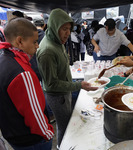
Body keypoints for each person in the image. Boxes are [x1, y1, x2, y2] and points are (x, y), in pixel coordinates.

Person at [36, 8, 98, 149]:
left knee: (68, 123)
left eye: (69, 29)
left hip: (65, 92)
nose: (68, 33)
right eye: (64, 29)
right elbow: (51, 84)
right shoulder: (47, 51)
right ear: (54, 26)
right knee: (65, 127)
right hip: (57, 97)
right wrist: (79, 85)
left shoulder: (57, 42)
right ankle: (63, 147)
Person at [0, 18, 54, 150]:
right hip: (31, 139)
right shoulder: (22, 73)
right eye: (35, 42)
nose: (37, 46)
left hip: (13, 134)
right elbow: (34, 114)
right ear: (20, 41)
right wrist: (48, 133)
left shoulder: (4, 59)